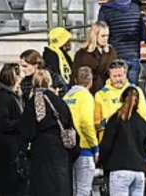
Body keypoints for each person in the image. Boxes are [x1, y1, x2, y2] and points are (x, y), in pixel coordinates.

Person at [20, 70, 76, 195]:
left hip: (40, 151)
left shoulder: (32, 102)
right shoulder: (60, 102)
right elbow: (70, 125)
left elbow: (27, 130)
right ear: (49, 82)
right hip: (60, 150)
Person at [99, 86, 146, 196]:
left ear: (122, 99)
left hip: (119, 170)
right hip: (139, 172)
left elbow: (106, 145)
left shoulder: (115, 119)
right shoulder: (143, 123)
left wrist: (102, 162)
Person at [97, 0, 144, 85]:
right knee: (132, 92)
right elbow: (143, 33)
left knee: (115, 91)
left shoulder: (105, 10)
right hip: (134, 54)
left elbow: (100, 33)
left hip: (114, 55)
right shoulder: (135, 8)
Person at [0, 63, 25, 196]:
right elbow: (2, 123)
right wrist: (22, 122)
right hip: (5, 153)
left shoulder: (13, 96)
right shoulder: (3, 97)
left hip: (11, 150)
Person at [94, 60, 146, 140]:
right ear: (109, 76)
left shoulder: (136, 91)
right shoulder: (100, 95)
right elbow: (96, 123)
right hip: (108, 141)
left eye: (120, 76)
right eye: (114, 76)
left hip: (131, 140)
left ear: (125, 74)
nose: (117, 79)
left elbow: (144, 116)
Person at [64, 67, 98, 196]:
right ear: (91, 82)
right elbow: (86, 123)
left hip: (69, 148)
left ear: (75, 80)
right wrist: (95, 146)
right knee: (83, 190)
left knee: (72, 189)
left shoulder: (66, 97)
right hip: (84, 148)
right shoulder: (86, 96)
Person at [73, 22, 117, 94]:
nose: (106, 39)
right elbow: (76, 75)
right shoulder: (82, 54)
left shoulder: (111, 52)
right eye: (103, 36)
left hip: (107, 92)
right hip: (88, 91)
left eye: (107, 36)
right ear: (95, 36)